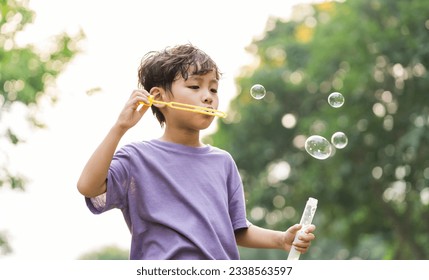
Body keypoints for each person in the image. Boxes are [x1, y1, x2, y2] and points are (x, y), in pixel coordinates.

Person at [77, 44, 316, 260]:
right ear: (159, 98)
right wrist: (120, 128)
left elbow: (237, 228)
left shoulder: (222, 162)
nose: (208, 97)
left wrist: (281, 239)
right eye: (195, 86)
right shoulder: (137, 159)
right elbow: (88, 187)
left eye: (213, 89)